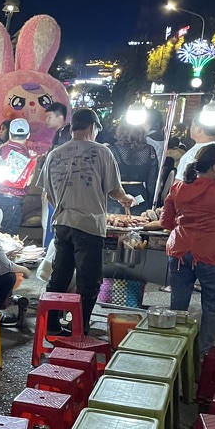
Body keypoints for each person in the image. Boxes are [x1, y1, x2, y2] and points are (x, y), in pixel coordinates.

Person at [41, 108, 135, 334]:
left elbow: (49, 194)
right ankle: (79, 328)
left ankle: (51, 326)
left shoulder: (55, 154)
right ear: (92, 127)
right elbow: (114, 190)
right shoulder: (102, 151)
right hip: (89, 225)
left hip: (62, 223)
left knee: (59, 277)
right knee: (89, 282)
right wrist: (126, 198)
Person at [161, 143, 215, 355]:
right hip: (211, 253)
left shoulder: (178, 188)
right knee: (214, 303)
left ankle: (176, 349)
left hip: (179, 250)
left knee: (178, 302)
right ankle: (201, 353)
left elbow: (166, 222)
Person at [0, 118, 39, 234]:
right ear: (28, 135)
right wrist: (33, 162)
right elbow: (27, 181)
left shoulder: (1, 149)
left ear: (10, 133)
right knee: (6, 238)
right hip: (12, 200)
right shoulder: (26, 155)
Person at [106, 123, 159, 214]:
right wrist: (150, 203)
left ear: (120, 132)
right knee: (138, 224)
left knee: (114, 224)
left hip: (116, 195)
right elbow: (152, 182)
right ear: (141, 132)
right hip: (140, 195)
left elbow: (107, 178)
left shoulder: (112, 150)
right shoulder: (150, 151)